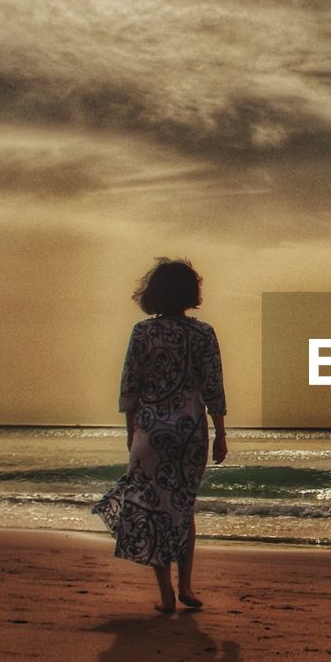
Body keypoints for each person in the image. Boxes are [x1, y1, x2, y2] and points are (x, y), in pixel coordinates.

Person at [91, 257, 227, 613]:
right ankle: (187, 586)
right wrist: (221, 434)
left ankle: (166, 593)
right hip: (190, 432)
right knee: (184, 507)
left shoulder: (143, 332)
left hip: (151, 432)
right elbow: (214, 388)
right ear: (190, 292)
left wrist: (131, 434)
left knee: (154, 509)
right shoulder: (203, 333)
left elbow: (129, 389)